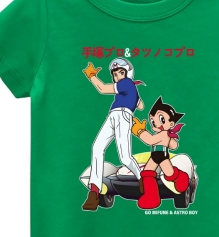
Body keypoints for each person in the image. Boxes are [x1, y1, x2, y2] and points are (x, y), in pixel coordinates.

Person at [81, 58, 145, 211]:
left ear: (128, 73)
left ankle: (141, 178)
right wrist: (135, 97)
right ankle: (94, 191)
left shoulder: (127, 83)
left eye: (121, 72)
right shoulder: (128, 86)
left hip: (123, 116)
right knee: (97, 147)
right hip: (113, 115)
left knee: (125, 158)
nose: (117, 76)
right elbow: (141, 106)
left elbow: (103, 89)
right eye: (115, 74)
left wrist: (92, 76)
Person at [131, 96, 189, 210]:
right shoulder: (162, 134)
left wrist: (140, 131)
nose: (155, 124)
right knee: (147, 173)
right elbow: (174, 145)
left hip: (162, 156)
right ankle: (151, 196)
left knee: (170, 174)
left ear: (171, 124)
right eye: (152, 121)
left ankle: (181, 178)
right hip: (154, 156)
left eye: (161, 119)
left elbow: (150, 140)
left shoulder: (163, 133)